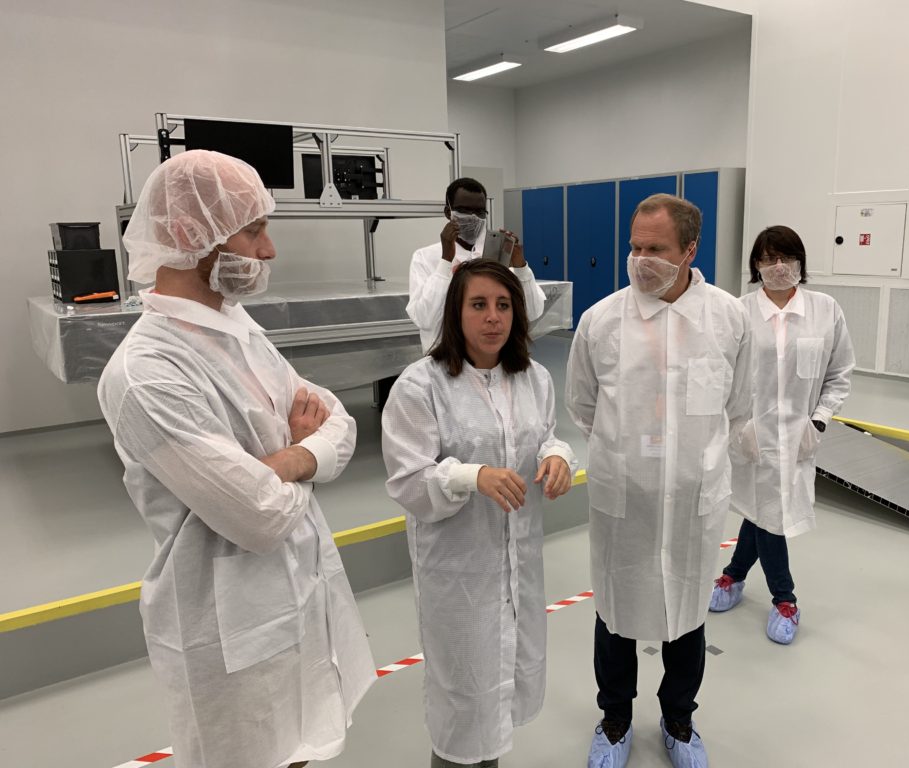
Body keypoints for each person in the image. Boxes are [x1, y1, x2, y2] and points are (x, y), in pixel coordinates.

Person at [97, 150, 376, 768]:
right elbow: (257, 516)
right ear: (189, 234)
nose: (269, 250)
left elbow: (340, 424)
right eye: (254, 231)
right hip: (227, 633)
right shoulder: (146, 373)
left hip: (300, 593)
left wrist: (285, 460)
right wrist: (304, 456)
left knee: (304, 746)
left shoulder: (237, 328)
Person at [566, 193, 753, 768]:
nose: (640, 260)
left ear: (690, 250)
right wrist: (632, 456)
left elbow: (739, 404)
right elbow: (583, 406)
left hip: (695, 499)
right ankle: (615, 718)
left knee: (687, 613)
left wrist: (687, 460)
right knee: (616, 612)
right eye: (635, 247)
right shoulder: (601, 321)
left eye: (656, 249)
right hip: (624, 498)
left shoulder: (728, 318)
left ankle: (679, 719)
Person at [382, 259, 577, 767]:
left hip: (518, 565)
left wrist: (558, 457)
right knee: (463, 703)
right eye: (479, 304)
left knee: (500, 694)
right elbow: (407, 479)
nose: (493, 317)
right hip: (458, 572)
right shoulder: (421, 385)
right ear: (456, 312)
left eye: (504, 305)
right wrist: (472, 476)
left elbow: (544, 435)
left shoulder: (533, 378)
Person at [710, 225, 855, 644]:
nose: (778, 266)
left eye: (786, 257)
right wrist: (736, 426)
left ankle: (743, 581)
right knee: (765, 511)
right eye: (768, 258)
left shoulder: (825, 310)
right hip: (750, 434)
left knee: (766, 512)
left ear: (800, 262)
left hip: (798, 436)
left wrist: (820, 419)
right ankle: (780, 596)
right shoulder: (737, 312)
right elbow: (720, 375)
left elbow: (840, 372)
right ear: (755, 264)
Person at [406, 177, 547, 353]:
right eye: (464, 210)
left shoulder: (499, 254)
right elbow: (424, 319)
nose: (473, 217)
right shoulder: (425, 257)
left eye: (480, 212)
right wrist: (445, 261)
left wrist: (521, 267)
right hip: (446, 358)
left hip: (493, 358)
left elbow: (532, 312)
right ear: (448, 212)